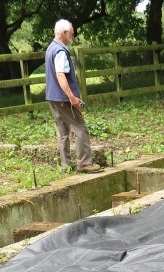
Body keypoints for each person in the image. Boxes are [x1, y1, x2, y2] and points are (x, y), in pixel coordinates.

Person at [45, 19, 101, 173]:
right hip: (63, 98)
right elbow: (60, 76)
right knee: (80, 128)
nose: (73, 37)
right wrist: (71, 97)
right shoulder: (60, 51)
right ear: (64, 33)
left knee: (62, 131)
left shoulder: (51, 48)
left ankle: (66, 164)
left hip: (52, 97)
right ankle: (84, 163)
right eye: (71, 33)